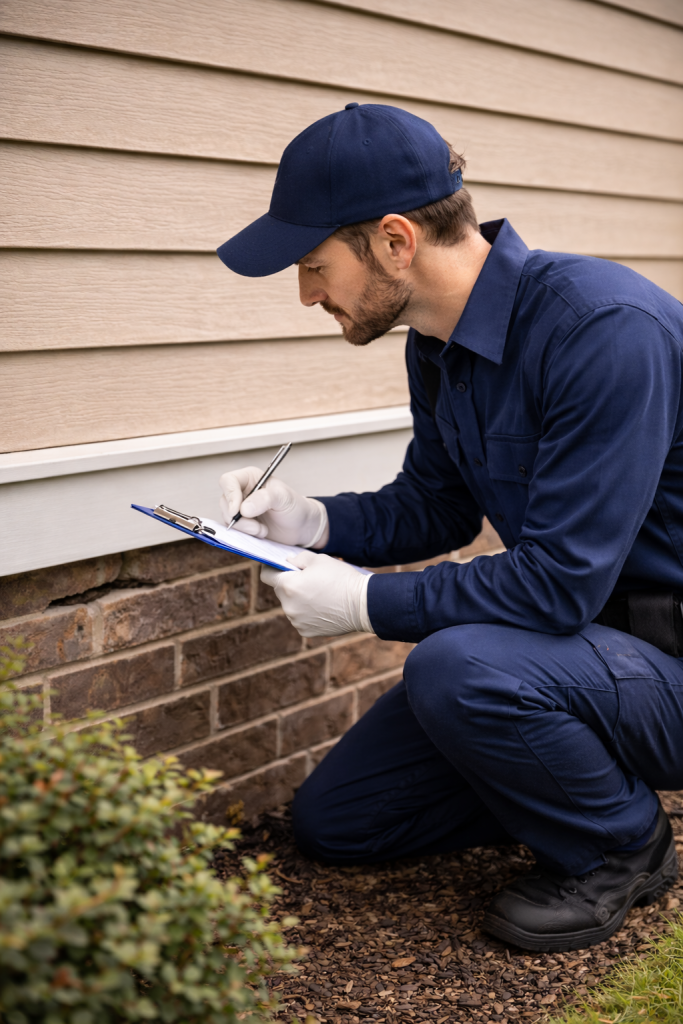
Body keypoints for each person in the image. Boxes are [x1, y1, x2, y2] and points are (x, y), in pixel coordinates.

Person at [215, 103, 682, 953]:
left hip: (666, 661)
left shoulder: (603, 330)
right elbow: (435, 505)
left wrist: (362, 603)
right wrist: (312, 521)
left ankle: (622, 845)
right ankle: (556, 785)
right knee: (340, 822)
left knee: (460, 665)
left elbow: (555, 581)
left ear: (396, 241)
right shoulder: (435, 342)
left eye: (315, 266)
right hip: (580, 654)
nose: (307, 293)